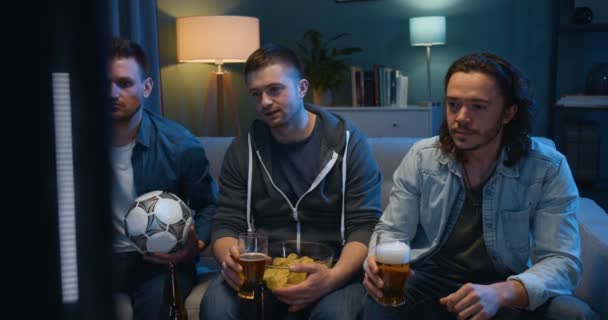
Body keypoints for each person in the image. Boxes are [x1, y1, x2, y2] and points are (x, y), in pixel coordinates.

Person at [362, 52, 598, 319]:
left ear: (508, 112)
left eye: (478, 106)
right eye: (453, 104)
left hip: (507, 286)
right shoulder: (421, 157)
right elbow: (392, 229)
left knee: (574, 314)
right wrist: (375, 262)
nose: (461, 117)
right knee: (380, 303)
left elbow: (563, 261)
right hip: (431, 283)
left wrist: (502, 293)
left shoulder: (548, 168)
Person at [200, 43, 383, 320]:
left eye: (275, 89)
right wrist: (231, 259)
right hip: (263, 270)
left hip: (333, 269)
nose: (264, 102)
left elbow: (365, 224)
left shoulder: (349, 142)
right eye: (255, 94)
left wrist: (333, 278)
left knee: (336, 316)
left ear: (301, 88)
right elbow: (226, 221)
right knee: (215, 308)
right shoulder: (242, 148)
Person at [108, 37, 218, 320]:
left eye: (124, 83)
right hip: (96, 260)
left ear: (146, 87)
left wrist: (194, 247)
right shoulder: (71, 145)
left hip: (159, 262)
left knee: (158, 306)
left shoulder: (180, 145)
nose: (111, 92)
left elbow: (210, 205)